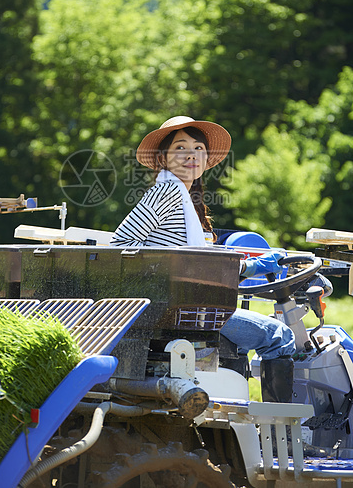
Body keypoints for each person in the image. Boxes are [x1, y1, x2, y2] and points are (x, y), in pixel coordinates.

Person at [111, 116, 295, 404]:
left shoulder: (186, 198)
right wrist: (165, 280)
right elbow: (122, 244)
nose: (191, 155)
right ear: (163, 158)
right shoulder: (167, 191)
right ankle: (281, 428)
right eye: (181, 147)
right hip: (182, 309)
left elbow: (198, 259)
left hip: (187, 304)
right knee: (279, 336)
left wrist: (243, 265)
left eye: (198, 148)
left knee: (245, 341)